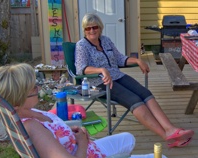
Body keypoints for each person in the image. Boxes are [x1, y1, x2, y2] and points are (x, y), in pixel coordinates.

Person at [0, 63, 175, 158]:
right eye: (33, 87)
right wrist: (81, 142)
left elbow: (51, 134)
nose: (38, 87)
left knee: (128, 139)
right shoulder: (32, 127)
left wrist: (69, 131)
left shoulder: (28, 111)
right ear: (19, 96)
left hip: (88, 154)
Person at [75, 13, 194, 148]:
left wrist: (138, 60)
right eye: (88, 28)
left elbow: (120, 58)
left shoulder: (106, 40)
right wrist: (101, 70)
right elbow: (81, 69)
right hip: (100, 83)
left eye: (94, 27)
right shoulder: (81, 46)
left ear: (100, 28)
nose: (91, 31)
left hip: (117, 75)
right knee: (135, 100)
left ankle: (171, 128)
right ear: (84, 30)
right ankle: (165, 135)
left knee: (145, 93)